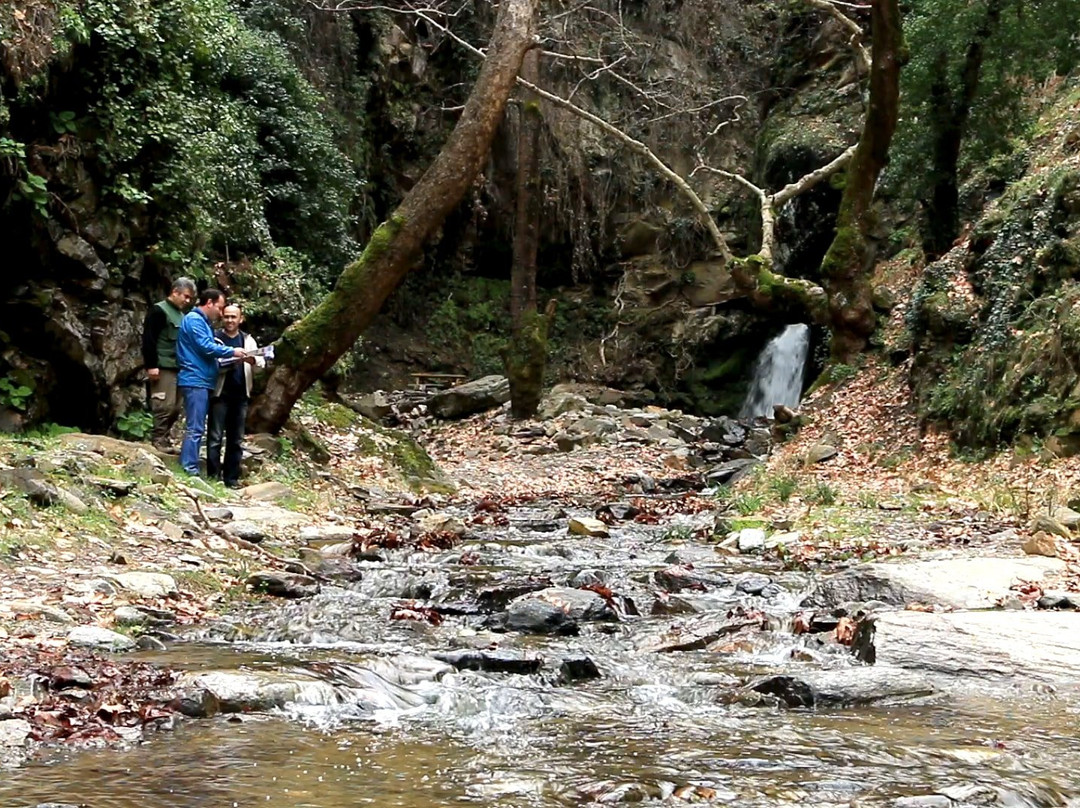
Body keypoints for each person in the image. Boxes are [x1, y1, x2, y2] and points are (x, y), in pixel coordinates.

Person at [176, 289, 246, 476]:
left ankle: (190, 465)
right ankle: (189, 467)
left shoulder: (202, 322)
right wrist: (232, 352)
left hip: (203, 379)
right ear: (209, 303)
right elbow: (206, 347)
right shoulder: (194, 320)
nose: (221, 313)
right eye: (220, 307)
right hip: (195, 379)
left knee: (198, 426)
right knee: (195, 427)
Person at [206, 304, 263, 488]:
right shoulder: (215, 337)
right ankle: (213, 475)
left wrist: (252, 360)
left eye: (234, 317)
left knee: (236, 439)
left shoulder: (247, 340)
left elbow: (261, 363)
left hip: (241, 395)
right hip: (220, 393)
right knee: (215, 436)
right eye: (227, 317)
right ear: (222, 317)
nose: (230, 320)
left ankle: (231, 478)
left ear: (241, 319)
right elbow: (209, 360)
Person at [141, 277, 196, 452]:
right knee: (164, 404)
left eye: (190, 298)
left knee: (176, 407)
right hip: (162, 365)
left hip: (178, 366)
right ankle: (158, 439)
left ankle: (165, 439)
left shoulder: (182, 316)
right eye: (185, 297)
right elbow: (149, 339)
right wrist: (151, 365)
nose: (187, 301)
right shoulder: (159, 311)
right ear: (175, 292)